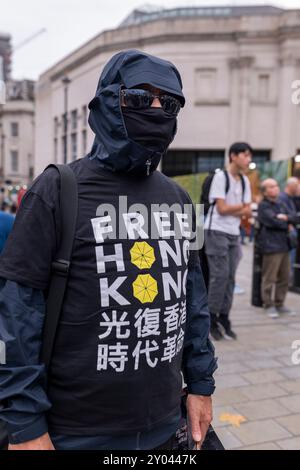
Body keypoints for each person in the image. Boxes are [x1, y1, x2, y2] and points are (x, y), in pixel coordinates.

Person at [0, 50, 217, 451]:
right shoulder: (55, 190)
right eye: (138, 98)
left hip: (166, 427)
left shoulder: (180, 199)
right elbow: (18, 313)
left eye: (167, 103)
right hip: (75, 433)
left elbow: (193, 297)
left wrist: (201, 384)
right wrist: (25, 424)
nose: (154, 109)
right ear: (107, 102)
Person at [204, 142, 252, 341]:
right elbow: (222, 209)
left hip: (234, 232)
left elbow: (247, 210)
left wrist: (238, 208)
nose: (249, 160)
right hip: (216, 230)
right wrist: (241, 208)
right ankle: (211, 319)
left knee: (231, 277)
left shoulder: (244, 181)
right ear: (233, 156)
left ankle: (224, 316)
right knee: (219, 277)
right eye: (246, 155)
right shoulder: (220, 177)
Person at [257, 178, 295, 318]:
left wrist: (284, 218)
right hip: (271, 246)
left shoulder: (281, 203)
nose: (275, 188)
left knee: (285, 277)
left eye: (276, 186)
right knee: (269, 277)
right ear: (265, 191)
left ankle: (280, 303)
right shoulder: (263, 206)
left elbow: (294, 217)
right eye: (271, 187)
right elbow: (272, 222)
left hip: (284, 245)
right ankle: (268, 304)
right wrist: (285, 221)